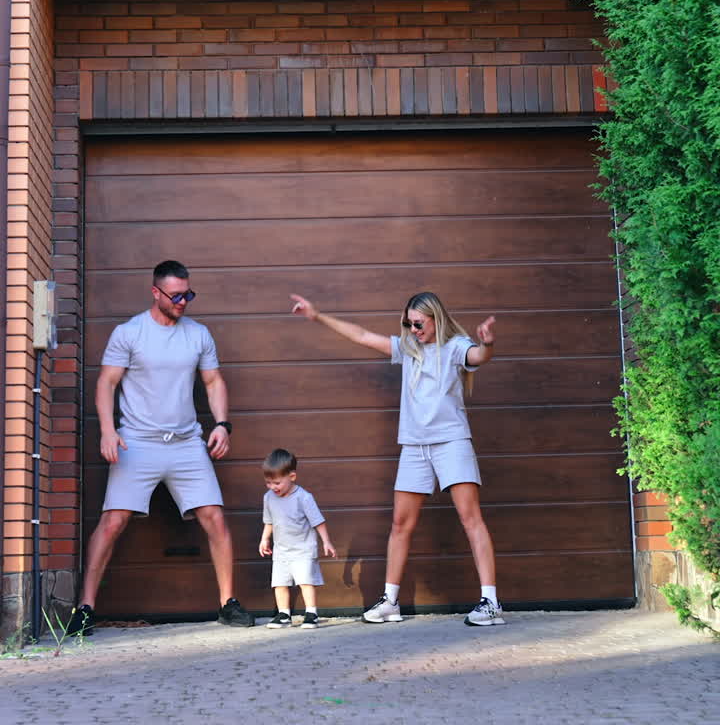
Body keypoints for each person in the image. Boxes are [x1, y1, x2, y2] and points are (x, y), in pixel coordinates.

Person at [291, 290, 503, 627]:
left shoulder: (455, 346)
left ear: (435, 318)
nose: (413, 329)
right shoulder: (408, 349)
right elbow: (362, 336)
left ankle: (491, 603)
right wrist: (317, 316)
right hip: (415, 447)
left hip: (451, 442)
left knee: (471, 520)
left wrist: (488, 344)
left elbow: (479, 357)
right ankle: (390, 601)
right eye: (408, 324)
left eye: (418, 323)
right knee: (400, 525)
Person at [66, 260, 254, 634]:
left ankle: (227, 604)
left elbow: (214, 381)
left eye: (188, 294)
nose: (183, 301)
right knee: (112, 521)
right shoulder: (130, 333)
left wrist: (221, 425)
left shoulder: (197, 334)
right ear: (156, 293)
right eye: (176, 295)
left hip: (186, 444)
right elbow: (107, 383)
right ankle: (84, 608)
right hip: (136, 442)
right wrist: (107, 430)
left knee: (214, 517)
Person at [259, 448, 337, 628]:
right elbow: (269, 521)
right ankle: (284, 614)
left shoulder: (304, 497)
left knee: (305, 581)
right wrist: (265, 539)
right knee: (279, 583)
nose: (272, 487)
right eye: (268, 482)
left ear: (292, 476)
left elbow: (318, 521)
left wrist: (326, 541)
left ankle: (311, 613)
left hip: (303, 549)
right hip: (281, 550)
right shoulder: (268, 498)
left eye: (277, 482)